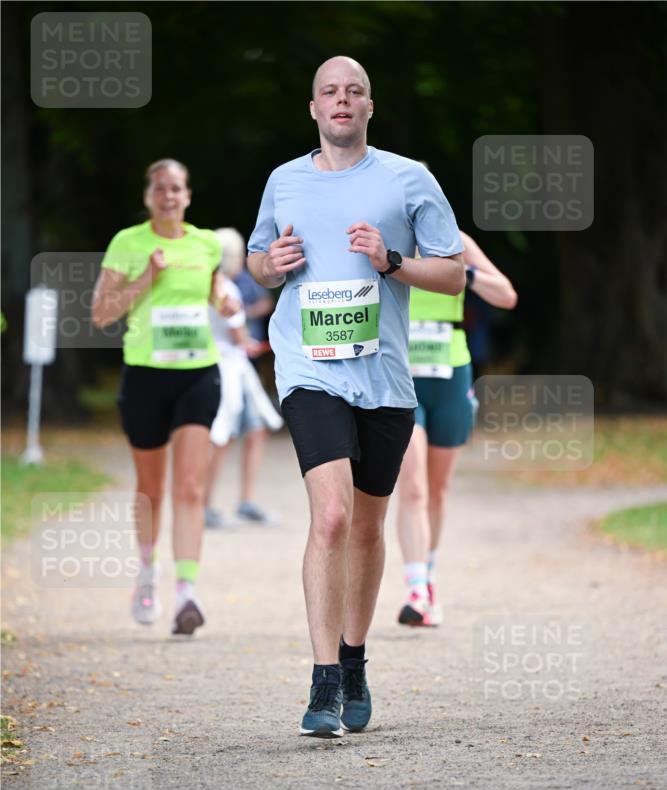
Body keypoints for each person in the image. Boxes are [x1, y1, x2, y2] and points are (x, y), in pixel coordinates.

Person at [247, 55, 465, 738]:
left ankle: (354, 657)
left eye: (354, 91)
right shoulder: (283, 181)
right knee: (332, 517)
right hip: (308, 371)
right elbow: (256, 260)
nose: (341, 101)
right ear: (313, 109)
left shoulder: (409, 179)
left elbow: (455, 276)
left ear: (369, 106)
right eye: (329, 92)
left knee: (369, 526)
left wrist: (392, 262)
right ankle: (322, 684)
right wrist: (269, 268)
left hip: (385, 379)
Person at [92, 158, 231, 635]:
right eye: (160, 189)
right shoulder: (127, 243)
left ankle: (187, 594)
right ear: (148, 197)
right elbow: (101, 314)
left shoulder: (206, 243)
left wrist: (225, 301)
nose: (168, 196)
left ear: (187, 196)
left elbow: (215, 292)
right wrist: (145, 278)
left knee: (190, 486)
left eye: (176, 188)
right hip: (146, 377)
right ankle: (148, 573)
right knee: (151, 490)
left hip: (198, 374)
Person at [397, 231, 517, 626]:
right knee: (412, 485)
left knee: (437, 487)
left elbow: (506, 295)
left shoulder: (454, 241)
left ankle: (428, 579)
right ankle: (415, 589)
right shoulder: (378, 241)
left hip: (450, 374)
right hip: (401, 378)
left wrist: (463, 274)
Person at [204, 228, 283, 528]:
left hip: (235, 368)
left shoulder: (212, 286)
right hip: (227, 371)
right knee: (223, 436)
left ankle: (245, 501)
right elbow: (237, 335)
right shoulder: (225, 289)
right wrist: (247, 342)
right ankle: (205, 506)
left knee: (255, 429)